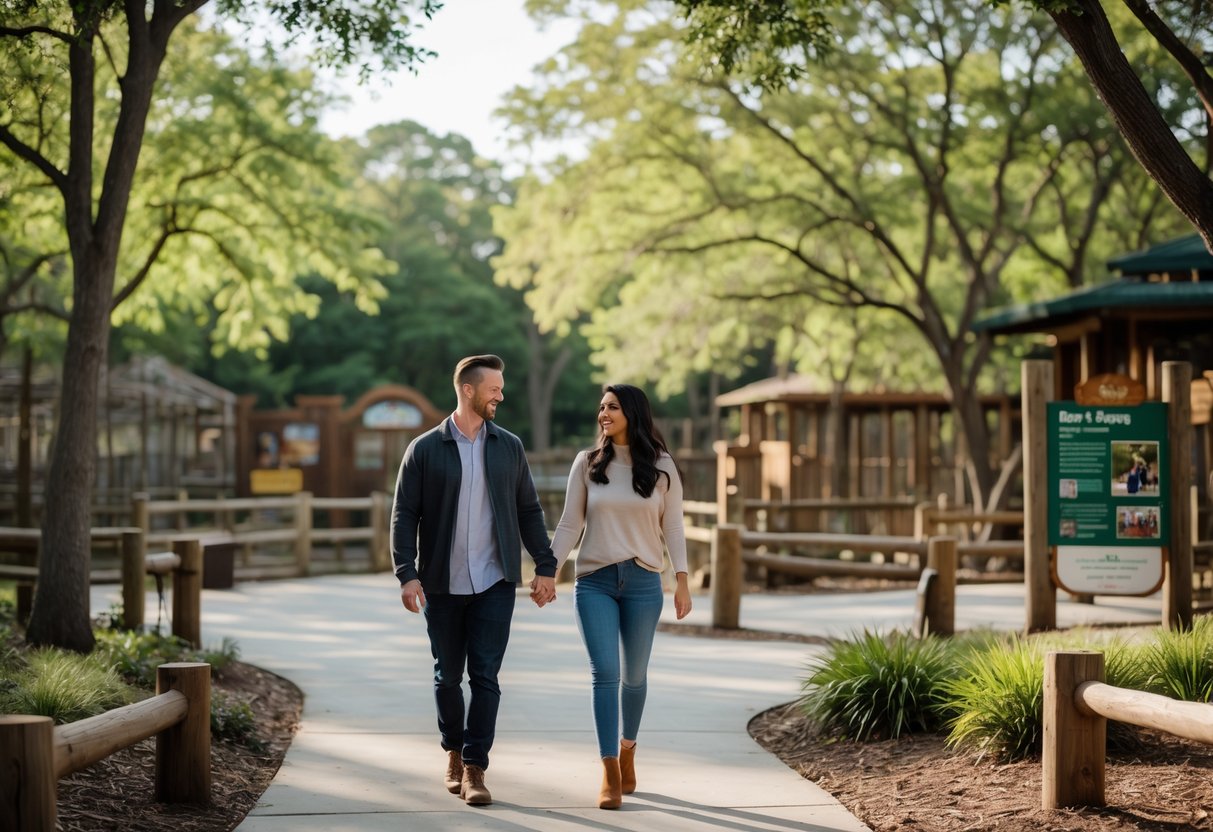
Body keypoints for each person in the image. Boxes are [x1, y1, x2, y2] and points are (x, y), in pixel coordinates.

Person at [390, 354, 558, 807]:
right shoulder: (425, 449)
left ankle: (475, 766)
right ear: (468, 389)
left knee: (485, 676)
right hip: (441, 584)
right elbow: (405, 514)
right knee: (447, 677)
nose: (501, 395)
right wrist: (407, 573)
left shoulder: (509, 447)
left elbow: (528, 509)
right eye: (494, 389)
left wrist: (545, 564)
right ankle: (452, 751)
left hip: (495, 582)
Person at [540, 383, 692, 810]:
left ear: (633, 413)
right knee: (604, 672)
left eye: (613, 407)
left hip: (645, 582)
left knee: (635, 676)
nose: (603, 413)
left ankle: (628, 749)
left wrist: (681, 577)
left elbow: (674, 527)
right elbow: (570, 524)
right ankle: (608, 769)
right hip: (595, 581)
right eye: (601, 407)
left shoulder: (661, 466)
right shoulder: (587, 464)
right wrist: (547, 569)